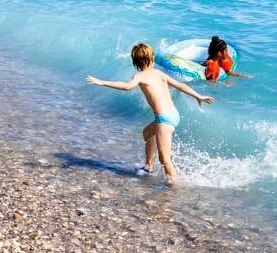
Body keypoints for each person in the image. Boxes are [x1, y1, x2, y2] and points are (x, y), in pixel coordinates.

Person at [85, 42, 214, 185]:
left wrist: (102, 82)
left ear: (136, 62)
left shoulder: (140, 76)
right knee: (147, 133)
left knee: (164, 159)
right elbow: (180, 85)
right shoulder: (158, 73)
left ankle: (174, 186)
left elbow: (127, 87)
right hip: (173, 114)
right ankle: (148, 167)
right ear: (150, 59)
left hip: (164, 120)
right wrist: (198, 96)